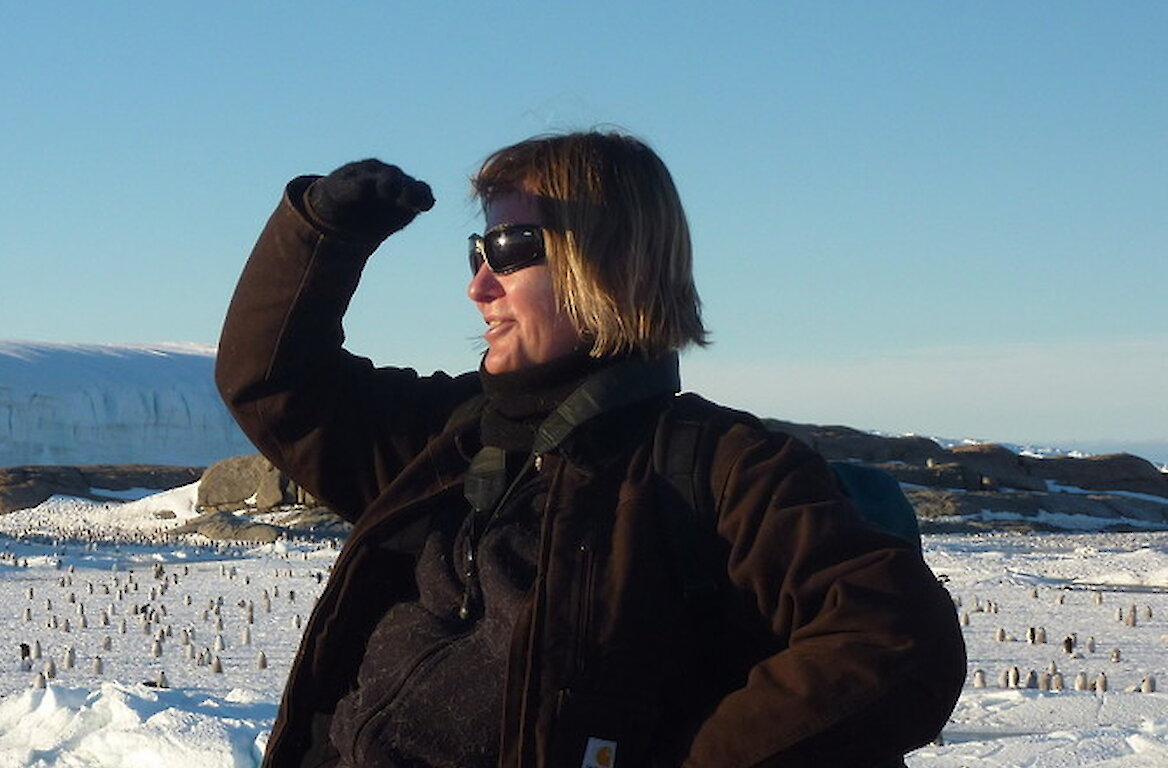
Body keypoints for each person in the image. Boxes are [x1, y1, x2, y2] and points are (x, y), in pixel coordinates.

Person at [215, 131, 966, 768]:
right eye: (477, 250)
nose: (478, 287)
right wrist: (322, 235)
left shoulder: (723, 468)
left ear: (611, 264)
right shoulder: (449, 437)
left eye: (510, 249)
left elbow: (894, 642)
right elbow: (274, 384)